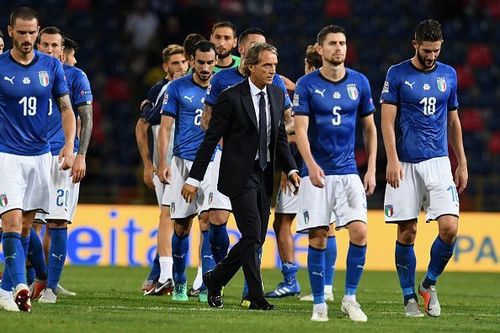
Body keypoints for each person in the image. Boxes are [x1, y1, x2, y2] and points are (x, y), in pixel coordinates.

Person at [182, 42, 300, 310]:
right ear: (251, 67)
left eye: (274, 65)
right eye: (266, 65)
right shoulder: (231, 96)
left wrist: (291, 168)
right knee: (250, 233)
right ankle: (256, 296)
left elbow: (279, 138)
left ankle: (215, 278)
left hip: (264, 175)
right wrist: (194, 178)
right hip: (239, 176)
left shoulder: (277, 95)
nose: (272, 71)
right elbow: (211, 139)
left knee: (254, 238)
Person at [380, 19, 467, 318]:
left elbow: (453, 121)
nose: (431, 56)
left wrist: (462, 162)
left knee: (450, 229)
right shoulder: (397, 74)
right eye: (426, 50)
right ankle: (409, 298)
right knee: (407, 233)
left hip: (439, 163)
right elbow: (387, 121)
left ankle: (428, 284)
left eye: (436, 50)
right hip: (404, 163)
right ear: (415, 44)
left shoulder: (449, 75)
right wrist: (391, 159)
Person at [294, 25, 377, 322]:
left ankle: (350, 298)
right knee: (317, 237)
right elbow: (300, 130)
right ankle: (319, 304)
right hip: (316, 173)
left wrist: (370, 168)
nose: (338, 48)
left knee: (360, 231)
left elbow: (369, 127)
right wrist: (311, 164)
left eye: (342, 43)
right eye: (332, 44)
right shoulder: (306, 84)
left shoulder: (360, 82)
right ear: (321, 49)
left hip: (348, 172)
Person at [0, 7, 76, 312]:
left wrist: (69, 145)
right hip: (7, 156)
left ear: (38, 30)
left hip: (40, 157)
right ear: (10, 32)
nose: (28, 38)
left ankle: (6, 290)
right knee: (12, 224)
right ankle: (20, 285)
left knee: (28, 228)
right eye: (22, 33)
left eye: (32, 32)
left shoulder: (51, 68)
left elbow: (67, 109)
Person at [29, 27, 93, 304]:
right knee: (24, 221)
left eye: (56, 46)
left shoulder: (75, 76)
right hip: (28, 155)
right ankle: (29, 279)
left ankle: (51, 287)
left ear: (62, 49)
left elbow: (86, 118)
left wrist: (81, 154)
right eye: (46, 45)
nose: (51, 50)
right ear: (38, 45)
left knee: (56, 220)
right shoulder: (25, 72)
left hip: (60, 157)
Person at [157, 40, 217, 303]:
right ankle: (180, 282)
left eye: (210, 62)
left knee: (209, 223)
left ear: (215, 62)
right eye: (200, 62)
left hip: (213, 162)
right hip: (182, 163)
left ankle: (204, 283)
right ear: (192, 61)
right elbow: (165, 128)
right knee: (181, 226)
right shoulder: (177, 87)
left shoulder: (222, 87)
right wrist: (162, 162)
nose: (205, 68)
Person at [136, 44, 187, 296]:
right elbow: (142, 125)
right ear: (165, 66)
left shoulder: (192, 87)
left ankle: (161, 275)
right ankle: (165, 276)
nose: (179, 67)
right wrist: (148, 164)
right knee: (170, 218)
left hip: (188, 163)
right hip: (164, 167)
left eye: (182, 62)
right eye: (174, 63)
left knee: (177, 220)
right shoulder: (160, 90)